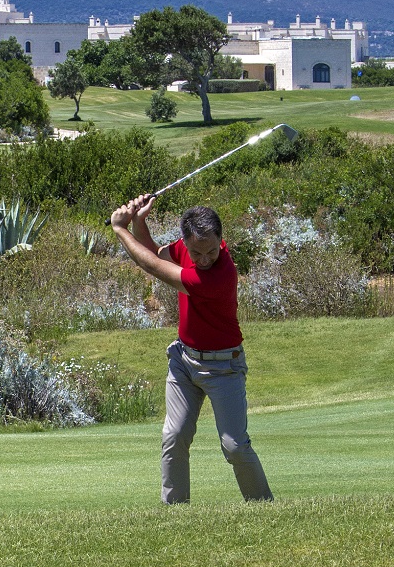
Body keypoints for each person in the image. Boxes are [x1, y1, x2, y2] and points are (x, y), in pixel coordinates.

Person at [110, 196, 273, 504]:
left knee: (235, 446)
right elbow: (157, 252)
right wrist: (140, 222)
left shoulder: (219, 275)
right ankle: (175, 513)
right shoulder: (190, 249)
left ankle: (264, 506)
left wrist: (121, 229)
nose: (204, 258)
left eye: (212, 250)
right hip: (184, 362)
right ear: (186, 240)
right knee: (174, 436)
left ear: (220, 240)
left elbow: (152, 266)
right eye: (196, 252)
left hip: (224, 366)